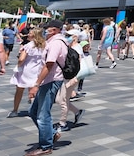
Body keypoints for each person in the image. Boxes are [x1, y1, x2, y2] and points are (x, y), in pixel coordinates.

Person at [26, 19, 67, 156]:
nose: (44, 30)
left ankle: (46, 146)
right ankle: (52, 134)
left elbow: (49, 64)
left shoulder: (56, 43)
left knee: (43, 115)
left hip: (50, 81)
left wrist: (36, 84)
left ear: (54, 30)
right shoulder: (53, 41)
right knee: (33, 111)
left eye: (47, 28)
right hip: (48, 81)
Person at [9, 28, 46, 118]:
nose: (28, 35)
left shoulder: (28, 46)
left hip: (26, 69)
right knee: (33, 90)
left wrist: (18, 65)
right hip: (37, 70)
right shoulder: (44, 45)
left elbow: (21, 59)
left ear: (34, 35)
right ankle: (35, 109)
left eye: (29, 33)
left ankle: (15, 110)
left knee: (19, 90)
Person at [55, 29, 84, 132]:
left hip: (72, 77)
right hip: (67, 76)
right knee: (60, 99)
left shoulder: (77, 48)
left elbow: (78, 64)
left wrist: (74, 78)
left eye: (69, 35)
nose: (67, 36)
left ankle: (63, 123)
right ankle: (77, 112)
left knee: (62, 100)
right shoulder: (70, 47)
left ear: (75, 37)